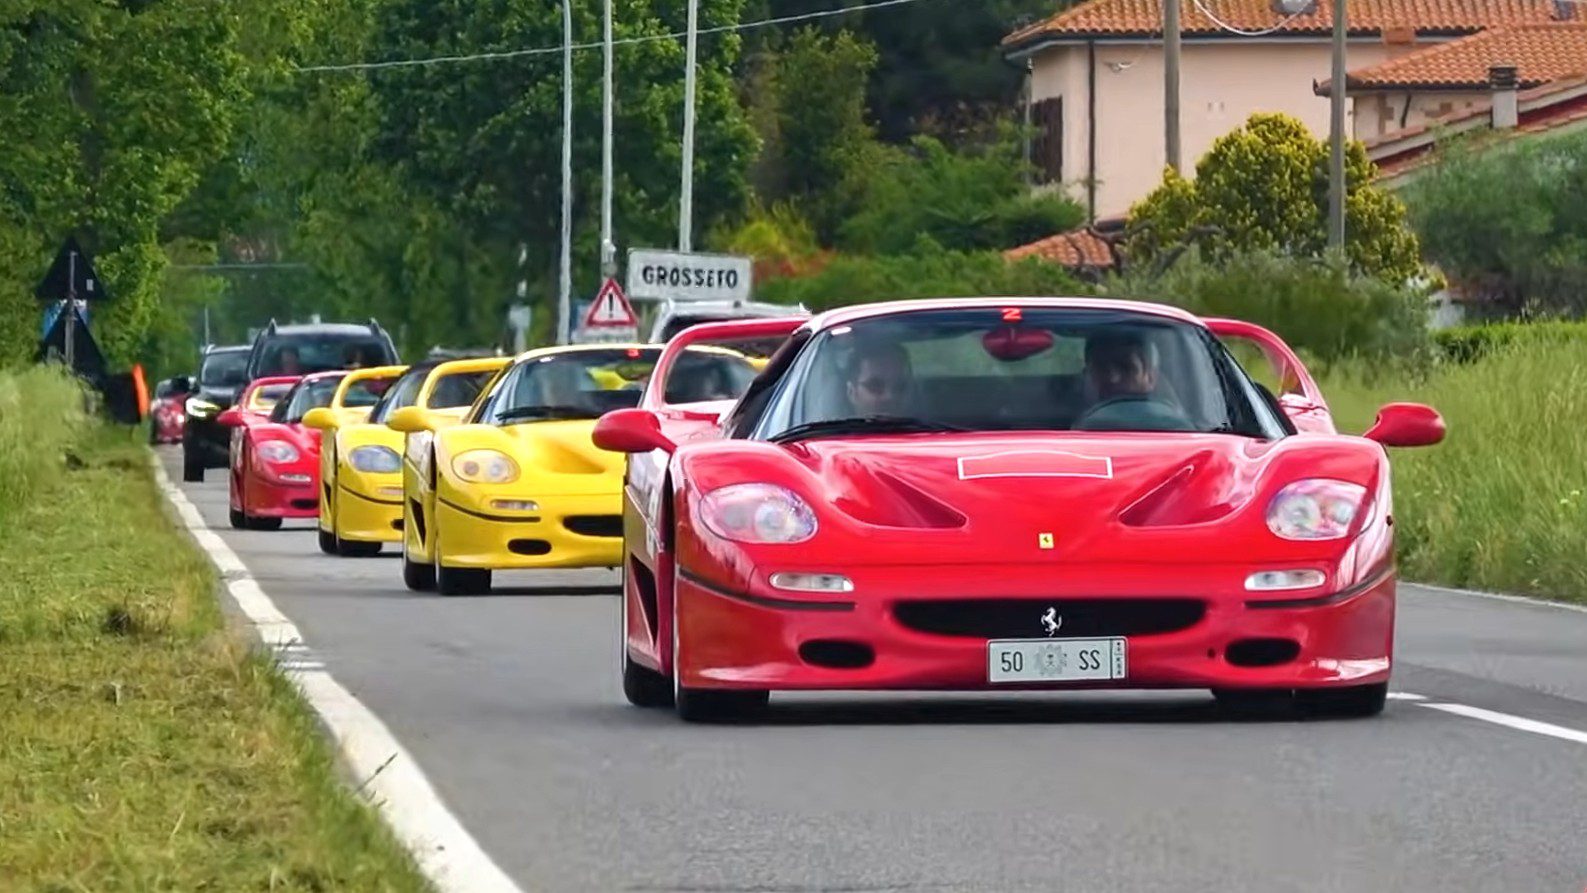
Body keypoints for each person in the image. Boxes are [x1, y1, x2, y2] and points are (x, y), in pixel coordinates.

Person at [1073, 329, 1194, 431]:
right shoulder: (1060, 431)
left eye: (1126, 368)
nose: (1113, 378)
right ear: (1086, 376)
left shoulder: (1178, 430)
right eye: (1101, 367)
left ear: (1151, 377)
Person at [844, 340, 914, 416]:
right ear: (852, 392)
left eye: (900, 387)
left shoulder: (925, 425)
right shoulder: (833, 427)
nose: (890, 396)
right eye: (875, 386)